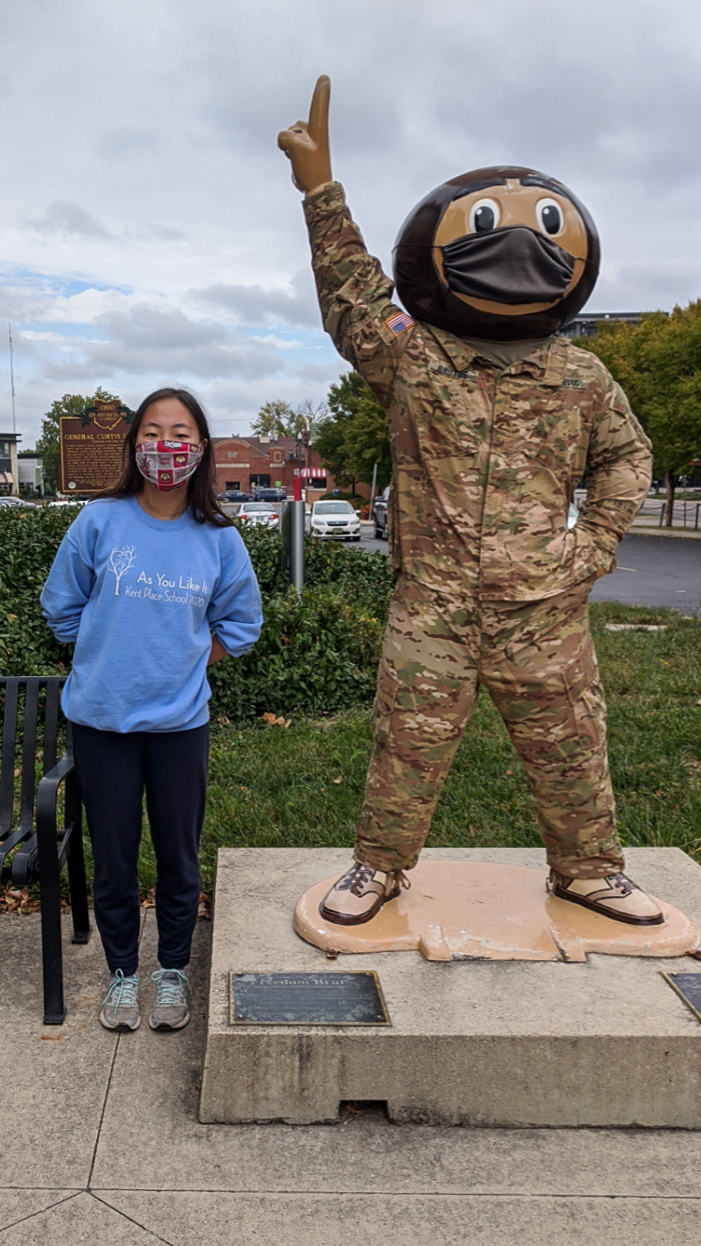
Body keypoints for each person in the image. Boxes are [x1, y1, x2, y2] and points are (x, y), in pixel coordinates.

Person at [279, 77, 664, 929]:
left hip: (542, 610)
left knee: (569, 746)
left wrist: (591, 548)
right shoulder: (415, 362)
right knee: (405, 745)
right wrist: (320, 191)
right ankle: (377, 867)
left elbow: (627, 456)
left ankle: (589, 869)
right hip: (436, 607)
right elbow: (354, 300)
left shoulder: (581, 376)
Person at [41, 388, 263, 1030]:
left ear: (201, 447)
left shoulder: (217, 537)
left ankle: (170, 973)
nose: (167, 445)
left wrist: (186, 658)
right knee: (112, 857)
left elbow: (241, 626)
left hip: (179, 728)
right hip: (101, 723)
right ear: (135, 442)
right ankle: (122, 976)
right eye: (155, 431)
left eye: (182, 432)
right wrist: (109, 651)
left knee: (178, 857)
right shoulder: (100, 521)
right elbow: (61, 609)